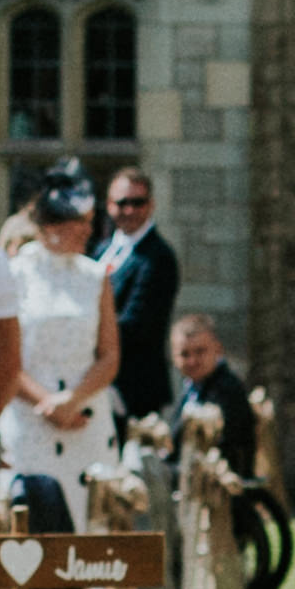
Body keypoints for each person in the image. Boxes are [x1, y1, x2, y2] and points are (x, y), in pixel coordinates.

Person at [0, 165, 117, 508]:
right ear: (52, 225)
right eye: (79, 221)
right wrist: (47, 403)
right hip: (29, 417)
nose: (87, 230)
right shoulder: (14, 274)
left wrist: (72, 400)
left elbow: (109, 355)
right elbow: (3, 354)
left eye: (90, 221)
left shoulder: (96, 276)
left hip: (85, 415)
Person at [100, 166, 180, 421]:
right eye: (122, 203)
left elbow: (137, 324)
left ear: (151, 205)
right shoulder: (101, 249)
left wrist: (80, 334)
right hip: (98, 382)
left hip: (135, 387)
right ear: (109, 205)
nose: (130, 211)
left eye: (138, 203)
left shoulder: (158, 257)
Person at [171, 313, 259, 481]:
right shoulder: (192, 386)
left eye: (200, 352)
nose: (192, 361)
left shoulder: (227, 389)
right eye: (184, 354)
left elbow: (226, 449)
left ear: (218, 350)